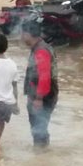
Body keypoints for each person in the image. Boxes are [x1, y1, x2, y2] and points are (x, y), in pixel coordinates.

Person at [21, 18, 58, 151]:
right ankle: (43, 154)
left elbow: (44, 76)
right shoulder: (40, 47)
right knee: (39, 127)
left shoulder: (41, 50)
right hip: (42, 94)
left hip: (42, 96)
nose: (21, 37)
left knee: (38, 128)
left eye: (22, 34)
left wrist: (38, 98)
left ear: (27, 34)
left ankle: (40, 156)